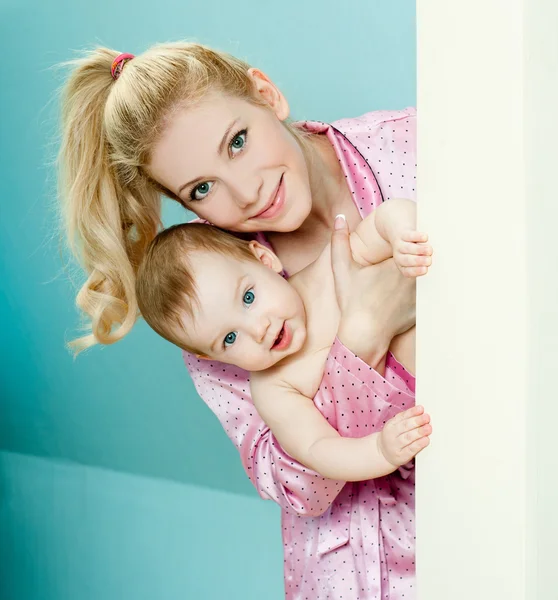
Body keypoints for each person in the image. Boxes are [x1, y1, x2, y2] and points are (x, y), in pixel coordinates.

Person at [58, 41, 419, 599]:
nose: (246, 191)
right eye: (201, 189)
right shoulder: (215, 322)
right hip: (366, 575)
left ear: (265, 93)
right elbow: (303, 486)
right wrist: (365, 332)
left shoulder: (411, 145)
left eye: (238, 142)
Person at [135, 200, 433, 483]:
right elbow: (318, 449)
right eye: (230, 337)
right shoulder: (274, 389)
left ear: (265, 260)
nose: (258, 329)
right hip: (431, 427)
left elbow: (384, 220)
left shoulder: (327, 269)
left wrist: (403, 237)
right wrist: (380, 450)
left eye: (248, 298)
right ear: (211, 358)